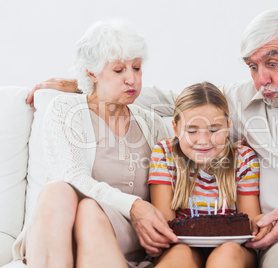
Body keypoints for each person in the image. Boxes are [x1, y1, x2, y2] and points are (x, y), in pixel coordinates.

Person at [28, 8, 278, 268]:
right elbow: (184, 104)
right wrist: (83, 85)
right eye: (252, 67)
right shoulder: (242, 98)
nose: (261, 80)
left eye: (272, 63)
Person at [16, 19, 178, 267]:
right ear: (91, 73)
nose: (131, 80)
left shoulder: (152, 123)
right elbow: (73, 176)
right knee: (58, 190)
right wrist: (134, 204)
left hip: (122, 233)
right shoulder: (65, 110)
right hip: (60, 229)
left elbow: (197, 106)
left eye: (136, 68)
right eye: (118, 70)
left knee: (90, 212)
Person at [147, 81, 269, 267]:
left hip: (234, 246)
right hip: (180, 244)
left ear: (228, 126)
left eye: (214, 130)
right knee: (179, 255)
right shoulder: (164, 154)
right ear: (176, 128)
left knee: (226, 254)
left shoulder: (243, 159)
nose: (203, 141)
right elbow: (167, 224)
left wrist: (260, 224)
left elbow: (249, 220)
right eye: (192, 130)